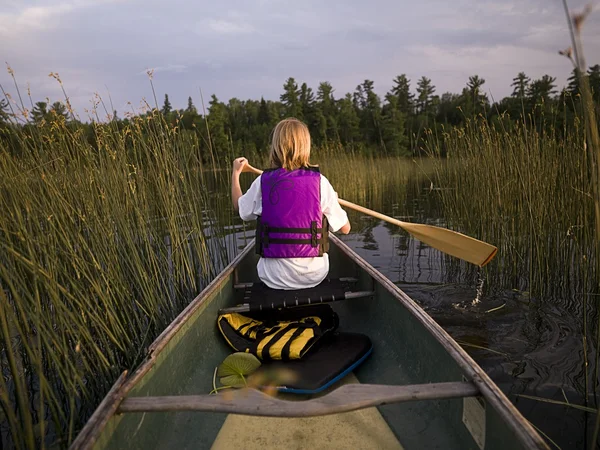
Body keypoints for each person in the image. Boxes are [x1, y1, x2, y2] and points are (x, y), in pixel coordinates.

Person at [231, 118, 351, 290]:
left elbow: (239, 207)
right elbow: (346, 229)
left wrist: (235, 174)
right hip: (314, 276)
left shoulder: (263, 181)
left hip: (273, 277)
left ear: (275, 147)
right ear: (306, 147)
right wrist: (333, 199)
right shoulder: (321, 183)